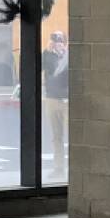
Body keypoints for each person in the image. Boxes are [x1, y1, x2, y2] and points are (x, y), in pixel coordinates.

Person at [42, 28, 70, 177]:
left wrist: (64, 54)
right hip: (52, 99)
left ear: (65, 42)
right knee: (56, 136)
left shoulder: (68, 56)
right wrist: (47, 51)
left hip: (67, 100)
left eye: (60, 40)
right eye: (55, 40)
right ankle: (59, 168)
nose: (57, 43)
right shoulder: (48, 56)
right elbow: (38, 67)